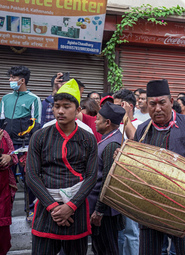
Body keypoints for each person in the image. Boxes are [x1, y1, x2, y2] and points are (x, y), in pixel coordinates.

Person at [133, 79, 185, 255]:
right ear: (147, 106)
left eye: (162, 103)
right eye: (152, 104)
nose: (157, 108)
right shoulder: (141, 130)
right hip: (151, 203)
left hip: (183, 201)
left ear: (171, 102)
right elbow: (133, 162)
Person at [26, 79, 98, 255]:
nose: (60, 111)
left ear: (78, 110)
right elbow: (32, 175)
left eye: (66, 106)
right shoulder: (40, 136)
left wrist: (70, 206)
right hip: (46, 207)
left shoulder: (88, 138)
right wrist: (53, 207)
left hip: (76, 208)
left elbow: (91, 176)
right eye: (57, 106)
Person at [1, 65, 41, 222]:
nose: (10, 80)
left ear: (22, 80)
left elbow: (36, 125)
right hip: (7, 147)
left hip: (25, 146)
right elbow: (1, 122)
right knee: (5, 178)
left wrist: (32, 147)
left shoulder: (33, 99)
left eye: (12, 78)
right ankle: (6, 210)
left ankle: (30, 210)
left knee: (28, 179)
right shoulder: (5, 98)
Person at [88, 102, 126, 255]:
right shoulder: (108, 139)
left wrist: (99, 211)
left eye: (97, 119)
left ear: (107, 122)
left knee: (107, 249)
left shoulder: (112, 144)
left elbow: (108, 181)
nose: (95, 122)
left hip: (106, 213)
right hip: (103, 210)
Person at [113, 89, 142, 255]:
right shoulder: (115, 124)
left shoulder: (139, 124)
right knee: (119, 230)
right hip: (116, 183)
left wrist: (125, 117)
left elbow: (136, 142)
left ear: (128, 106)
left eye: (119, 106)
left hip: (132, 183)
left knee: (131, 230)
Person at [0, 128, 18, 255]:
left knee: (2, 230)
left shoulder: (4, 134)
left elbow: (14, 156)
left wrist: (8, 158)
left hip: (3, 188)